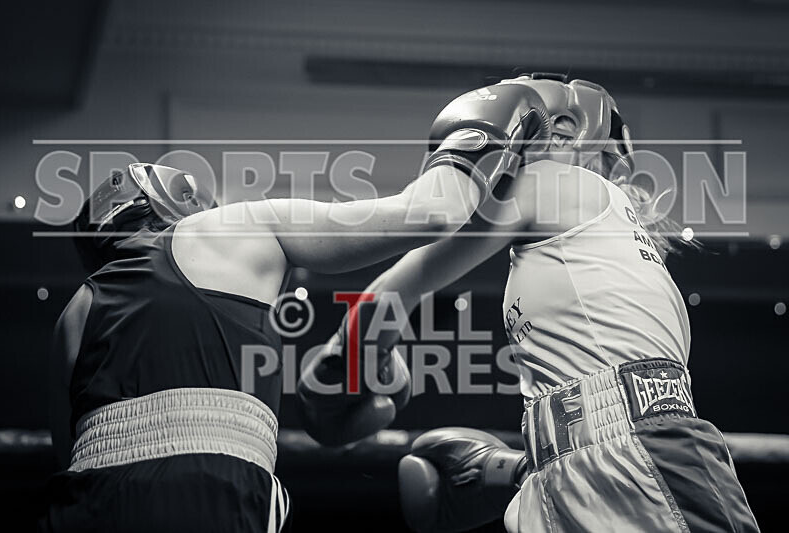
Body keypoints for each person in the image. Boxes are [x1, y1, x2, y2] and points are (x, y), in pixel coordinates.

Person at [41, 78, 553, 532]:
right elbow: (430, 213)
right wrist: (478, 132)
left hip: (82, 508)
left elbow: (71, 455)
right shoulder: (224, 229)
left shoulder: (74, 314)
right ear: (178, 201)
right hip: (205, 497)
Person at [302, 73, 760, 532]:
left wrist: (349, 356)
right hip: (594, 465)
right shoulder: (608, 245)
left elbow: (401, 284)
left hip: (638, 460)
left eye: (551, 131)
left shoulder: (565, 185)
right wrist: (516, 470)